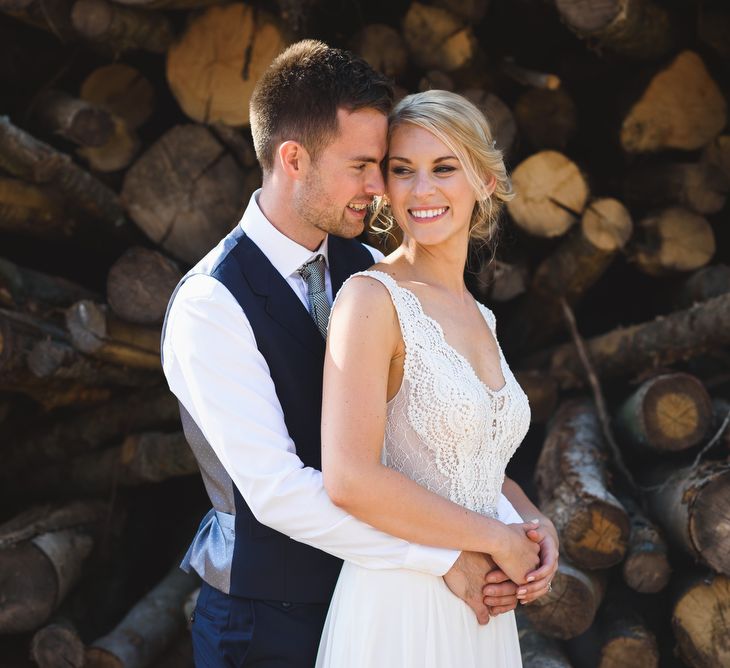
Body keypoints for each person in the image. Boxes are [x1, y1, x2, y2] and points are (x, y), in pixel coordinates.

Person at [161, 41, 547, 667]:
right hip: (267, 622)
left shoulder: (368, 267)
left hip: (384, 597)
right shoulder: (211, 304)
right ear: (293, 159)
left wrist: (526, 525)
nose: (380, 188)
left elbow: (428, 442)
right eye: (364, 166)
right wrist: (447, 555)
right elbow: (279, 491)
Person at [315, 89, 559, 667]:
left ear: (484, 181)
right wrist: (497, 539)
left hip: (480, 613)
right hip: (402, 605)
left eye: (443, 168)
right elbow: (349, 477)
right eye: (403, 171)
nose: (422, 191)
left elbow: (475, 469)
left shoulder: (483, 316)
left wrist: (532, 522)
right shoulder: (372, 300)